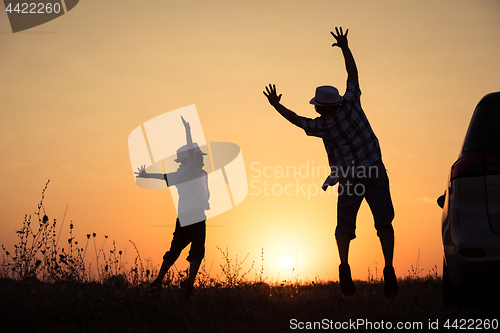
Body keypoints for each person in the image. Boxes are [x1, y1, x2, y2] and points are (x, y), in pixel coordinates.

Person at [263, 27, 397, 298]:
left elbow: (297, 121)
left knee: (344, 226)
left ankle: (345, 265)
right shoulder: (351, 103)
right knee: (383, 222)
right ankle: (389, 266)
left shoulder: (322, 126)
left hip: (350, 179)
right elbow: (353, 74)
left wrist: (277, 105)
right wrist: (345, 47)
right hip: (375, 171)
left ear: (319, 107)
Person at [135, 116, 210, 296]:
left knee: (175, 249)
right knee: (197, 251)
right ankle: (189, 284)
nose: (201, 159)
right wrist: (188, 132)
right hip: (196, 216)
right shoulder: (192, 171)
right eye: (198, 157)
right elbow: (191, 155)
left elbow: (161, 177)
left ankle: (158, 280)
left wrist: (145, 175)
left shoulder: (180, 174)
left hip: (183, 217)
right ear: (190, 160)